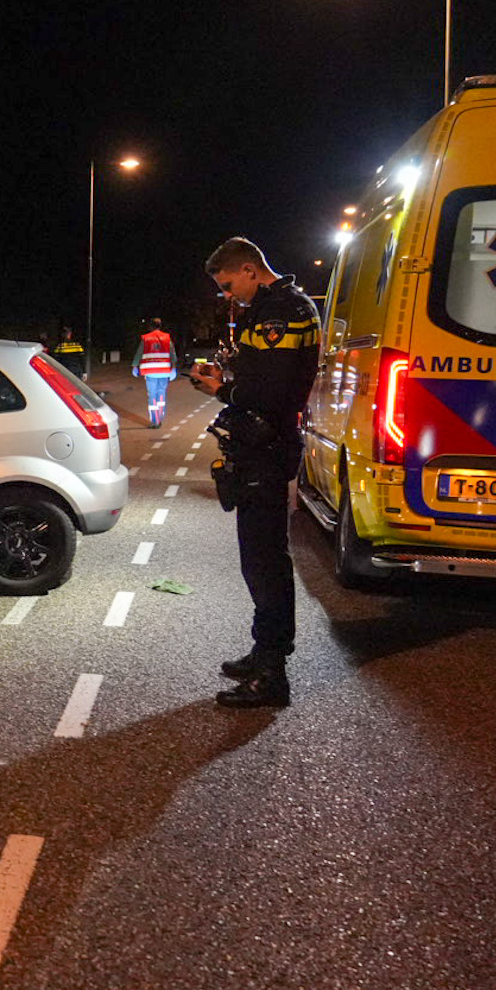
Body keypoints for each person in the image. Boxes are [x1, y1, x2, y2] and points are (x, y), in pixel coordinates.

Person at [188, 237, 319, 708]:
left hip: (267, 447)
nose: (227, 295)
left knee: (265, 561)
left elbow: (270, 391)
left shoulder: (281, 312)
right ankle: (264, 652)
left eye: (228, 285)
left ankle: (272, 673)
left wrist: (222, 389)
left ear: (248, 269)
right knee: (258, 559)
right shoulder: (271, 307)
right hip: (260, 447)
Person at [131, 316, 175, 427]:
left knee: (152, 395)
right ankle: (160, 418)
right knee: (161, 394)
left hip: (150, 372)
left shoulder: (146, 338)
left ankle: (154, 421)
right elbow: (172, 353)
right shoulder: (166, 338)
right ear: (160, 326)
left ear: (150, 326)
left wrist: (135, 366)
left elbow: (139, 353)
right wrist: (173, 368)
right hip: (164, 371)